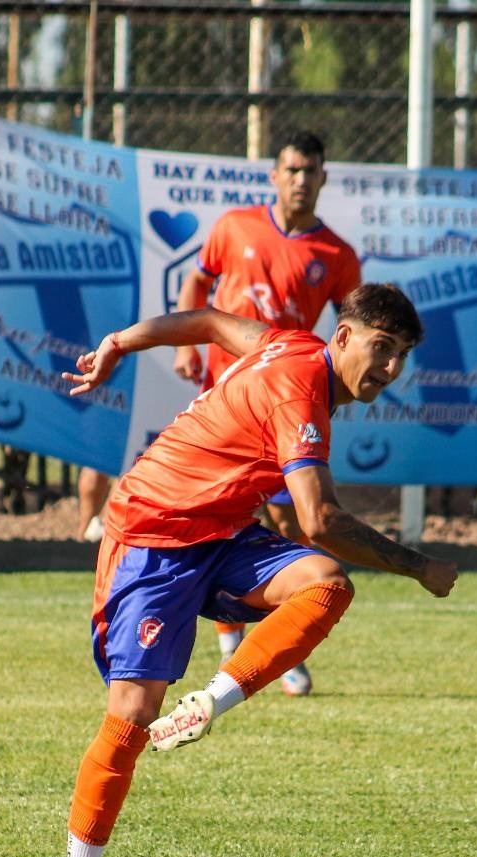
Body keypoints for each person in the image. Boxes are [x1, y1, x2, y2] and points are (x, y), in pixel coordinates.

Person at [50, 284, 457, 857]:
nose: (391, 368)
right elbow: (319, 518)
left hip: (221, 531)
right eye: (382, 348)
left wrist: (123, 341)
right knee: (132, 712)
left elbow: (212, 322)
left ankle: (209, 701)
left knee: (325, 583)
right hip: (154, 533)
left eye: (402, 354)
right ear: (343, 338)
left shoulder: (289, 345)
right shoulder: (301, 386)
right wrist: (418, 565)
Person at [172, 129, 361, 688]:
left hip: (281, 406)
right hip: (225, 402)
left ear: (324, 178)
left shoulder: (336, 254)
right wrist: (186, 345)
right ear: (274, 175)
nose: (301, 180)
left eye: (311, 171)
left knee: (289, 519)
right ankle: (234, 637)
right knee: (219, 514)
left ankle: (279, 635)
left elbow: (352, 329)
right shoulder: (235, 227)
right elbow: (198, 283)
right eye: (292, 169)